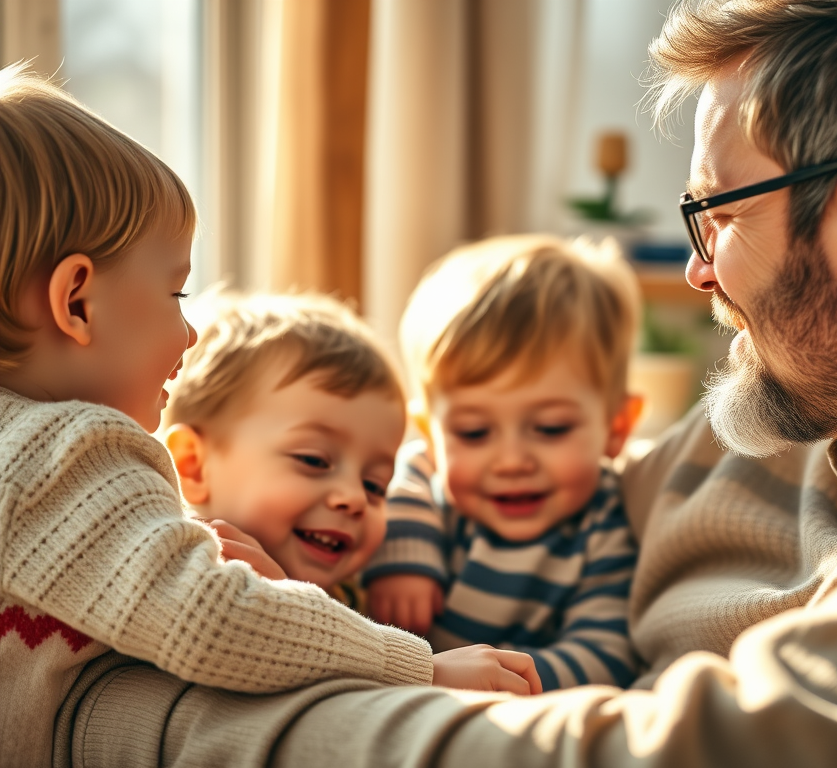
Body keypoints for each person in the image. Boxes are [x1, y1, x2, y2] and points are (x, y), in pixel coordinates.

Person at [57, 0, 837, 765]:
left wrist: (123, 719)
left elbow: (729, 747)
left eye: (717, 215)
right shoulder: (782, 424)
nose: (697, 273)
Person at [0, 64, 544, 768]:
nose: (188, 334)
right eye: (175, 294)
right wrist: (423, 668)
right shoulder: (67, 452)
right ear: (77, 301)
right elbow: (210, 618)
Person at [363, 235, 645, 690]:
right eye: (473, 433)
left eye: (551, 429)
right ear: (431, 435)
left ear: (616, 428)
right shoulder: (422, 482)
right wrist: (402, 559)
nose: (512, 462)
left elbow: (605, 656)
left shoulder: (604, 524)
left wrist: (506, 679)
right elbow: (400, 479)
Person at [162, 291, 409, 610]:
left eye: (375, 485)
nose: (356, 498)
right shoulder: (177, 580)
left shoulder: (359, 598)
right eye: (314, 460)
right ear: (193, 465)